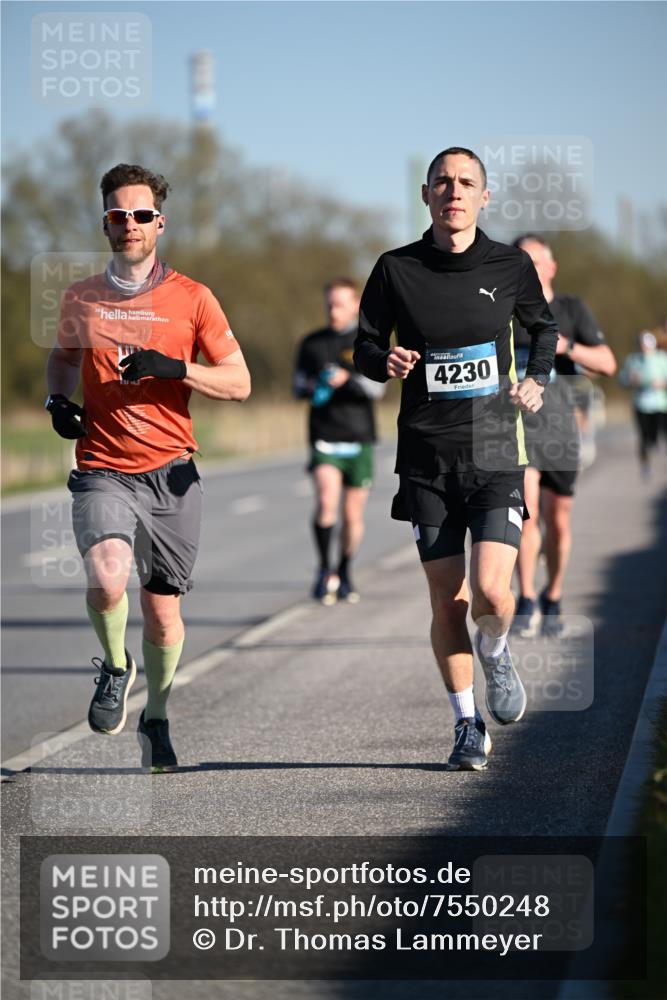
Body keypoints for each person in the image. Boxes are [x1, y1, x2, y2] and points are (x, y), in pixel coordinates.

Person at [354, 147, 558, 771]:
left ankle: (495, 653)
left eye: (467, 182)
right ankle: (467, 722)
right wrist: (381, 362)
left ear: (484, 196)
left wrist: (536, 378)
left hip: (496, 446)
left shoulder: (511, 264)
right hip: (425, 455)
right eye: (443, 182)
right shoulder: (395, 268)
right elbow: (363, 343)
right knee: (448, 600)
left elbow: (543, 330)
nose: (454, 192)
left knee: (494, 594)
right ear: (426, 195)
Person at [45, 163, 251, 771]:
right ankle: (114, 667)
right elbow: (62, 358)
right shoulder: (81, 296)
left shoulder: (194, 298)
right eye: (117, 215)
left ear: (159, 222)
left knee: (163, 612)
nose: (128, 224)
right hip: (102, 465)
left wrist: (175, 367)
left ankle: (156, 715)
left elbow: (240, 382)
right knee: (108, 576)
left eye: (140, 214)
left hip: (171, 471)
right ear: (105, 222)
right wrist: (59, 399)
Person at [510, 236, 617, 637]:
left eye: (535, 262)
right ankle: (526, 598)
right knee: (526, 515)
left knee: (558, 521)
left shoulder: (571, 309)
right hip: (516, 429)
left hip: (561, 429)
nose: (529, 270)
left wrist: (567, 346)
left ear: (551, 267)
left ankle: (553, 595)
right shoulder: (504, 311)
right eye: (521, 262)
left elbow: (607, 362)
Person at [293, 278, 384, 604]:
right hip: (324, 437)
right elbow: (297, 386)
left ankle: (345, 570)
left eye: (340, 304)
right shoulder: (311, 343)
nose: (333, 310)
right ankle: (323, 569)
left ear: (355, 305)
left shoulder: (367, 341)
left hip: (359, 438)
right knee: (326, 503)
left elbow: (379, 388)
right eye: (329, 304)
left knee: (352, 516)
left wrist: (350, 380)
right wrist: (314, 384)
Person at [619, 330, 667, 479]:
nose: (644, 349)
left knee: (660, 435)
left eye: (647, 346)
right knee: (644, 438)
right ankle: (645, 466)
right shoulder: (632, 360)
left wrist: (662, 384)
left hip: (660, 405)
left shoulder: (662, 359)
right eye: (642, 346)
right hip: (641, 404)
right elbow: (622, 380)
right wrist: (631, 381)